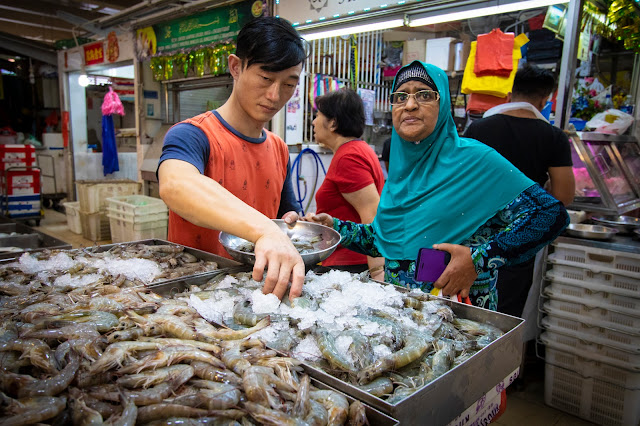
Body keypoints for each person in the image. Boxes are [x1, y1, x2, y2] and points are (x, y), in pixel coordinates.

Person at [297, 60, 569, 311]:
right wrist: (336, 227)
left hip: (458, 316)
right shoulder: (405, 167)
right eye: (400, 96)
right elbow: (387, 241)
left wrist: (480, 259)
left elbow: (549, 215)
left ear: (444, 105)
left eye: (425, 95)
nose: (410, 105)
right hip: (404, 313)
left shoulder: (474, 159)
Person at [157, 17, 307, 301]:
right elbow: (176, 185)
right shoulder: (192, 135)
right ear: (236, 67)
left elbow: (285, 213)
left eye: (288, 84)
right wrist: (264, 231)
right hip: (194, 299)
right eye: (266, 78)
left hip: (259, 296)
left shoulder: (279, 148)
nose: (275, 95)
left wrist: (290, 222)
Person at [464, 63, 575, 316]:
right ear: (546, 99)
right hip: (519, 237)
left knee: (467, 309)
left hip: (473, 236)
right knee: (505, 313)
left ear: (510, 94)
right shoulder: (553, 137)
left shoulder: (479, 129)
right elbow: (564, 197)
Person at [308, 88, 385, 278]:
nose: (313, 122)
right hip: (348, 263)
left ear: (333, 123)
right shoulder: (358, 149)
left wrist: (377, 273)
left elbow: (372, 213)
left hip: (350, 265)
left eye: (317, 115)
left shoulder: (348, 157)